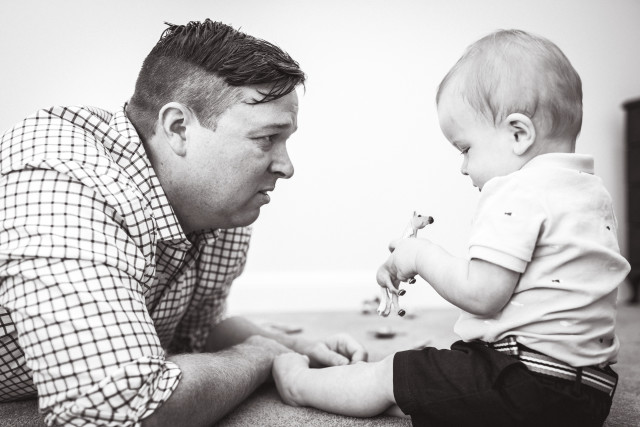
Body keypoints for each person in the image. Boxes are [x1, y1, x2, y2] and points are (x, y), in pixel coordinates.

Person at [0, 19, 368, 426]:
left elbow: (192, 335)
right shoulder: (64, 179)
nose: (286, 166)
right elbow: (122, 412)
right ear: (178, 128)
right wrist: (259, 355)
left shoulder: (217, 209)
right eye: (266, 138)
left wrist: (292, 346)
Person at [272, 29, 631, 427]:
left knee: (393, 373)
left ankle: (299, 385)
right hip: (588, 394)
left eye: (465, 149)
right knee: (430, 381)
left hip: (527, 383)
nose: (463, 167)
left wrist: (419, 255)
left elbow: (482, 295)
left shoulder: (518, 190)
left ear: (518, 134)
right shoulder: (590, 192)